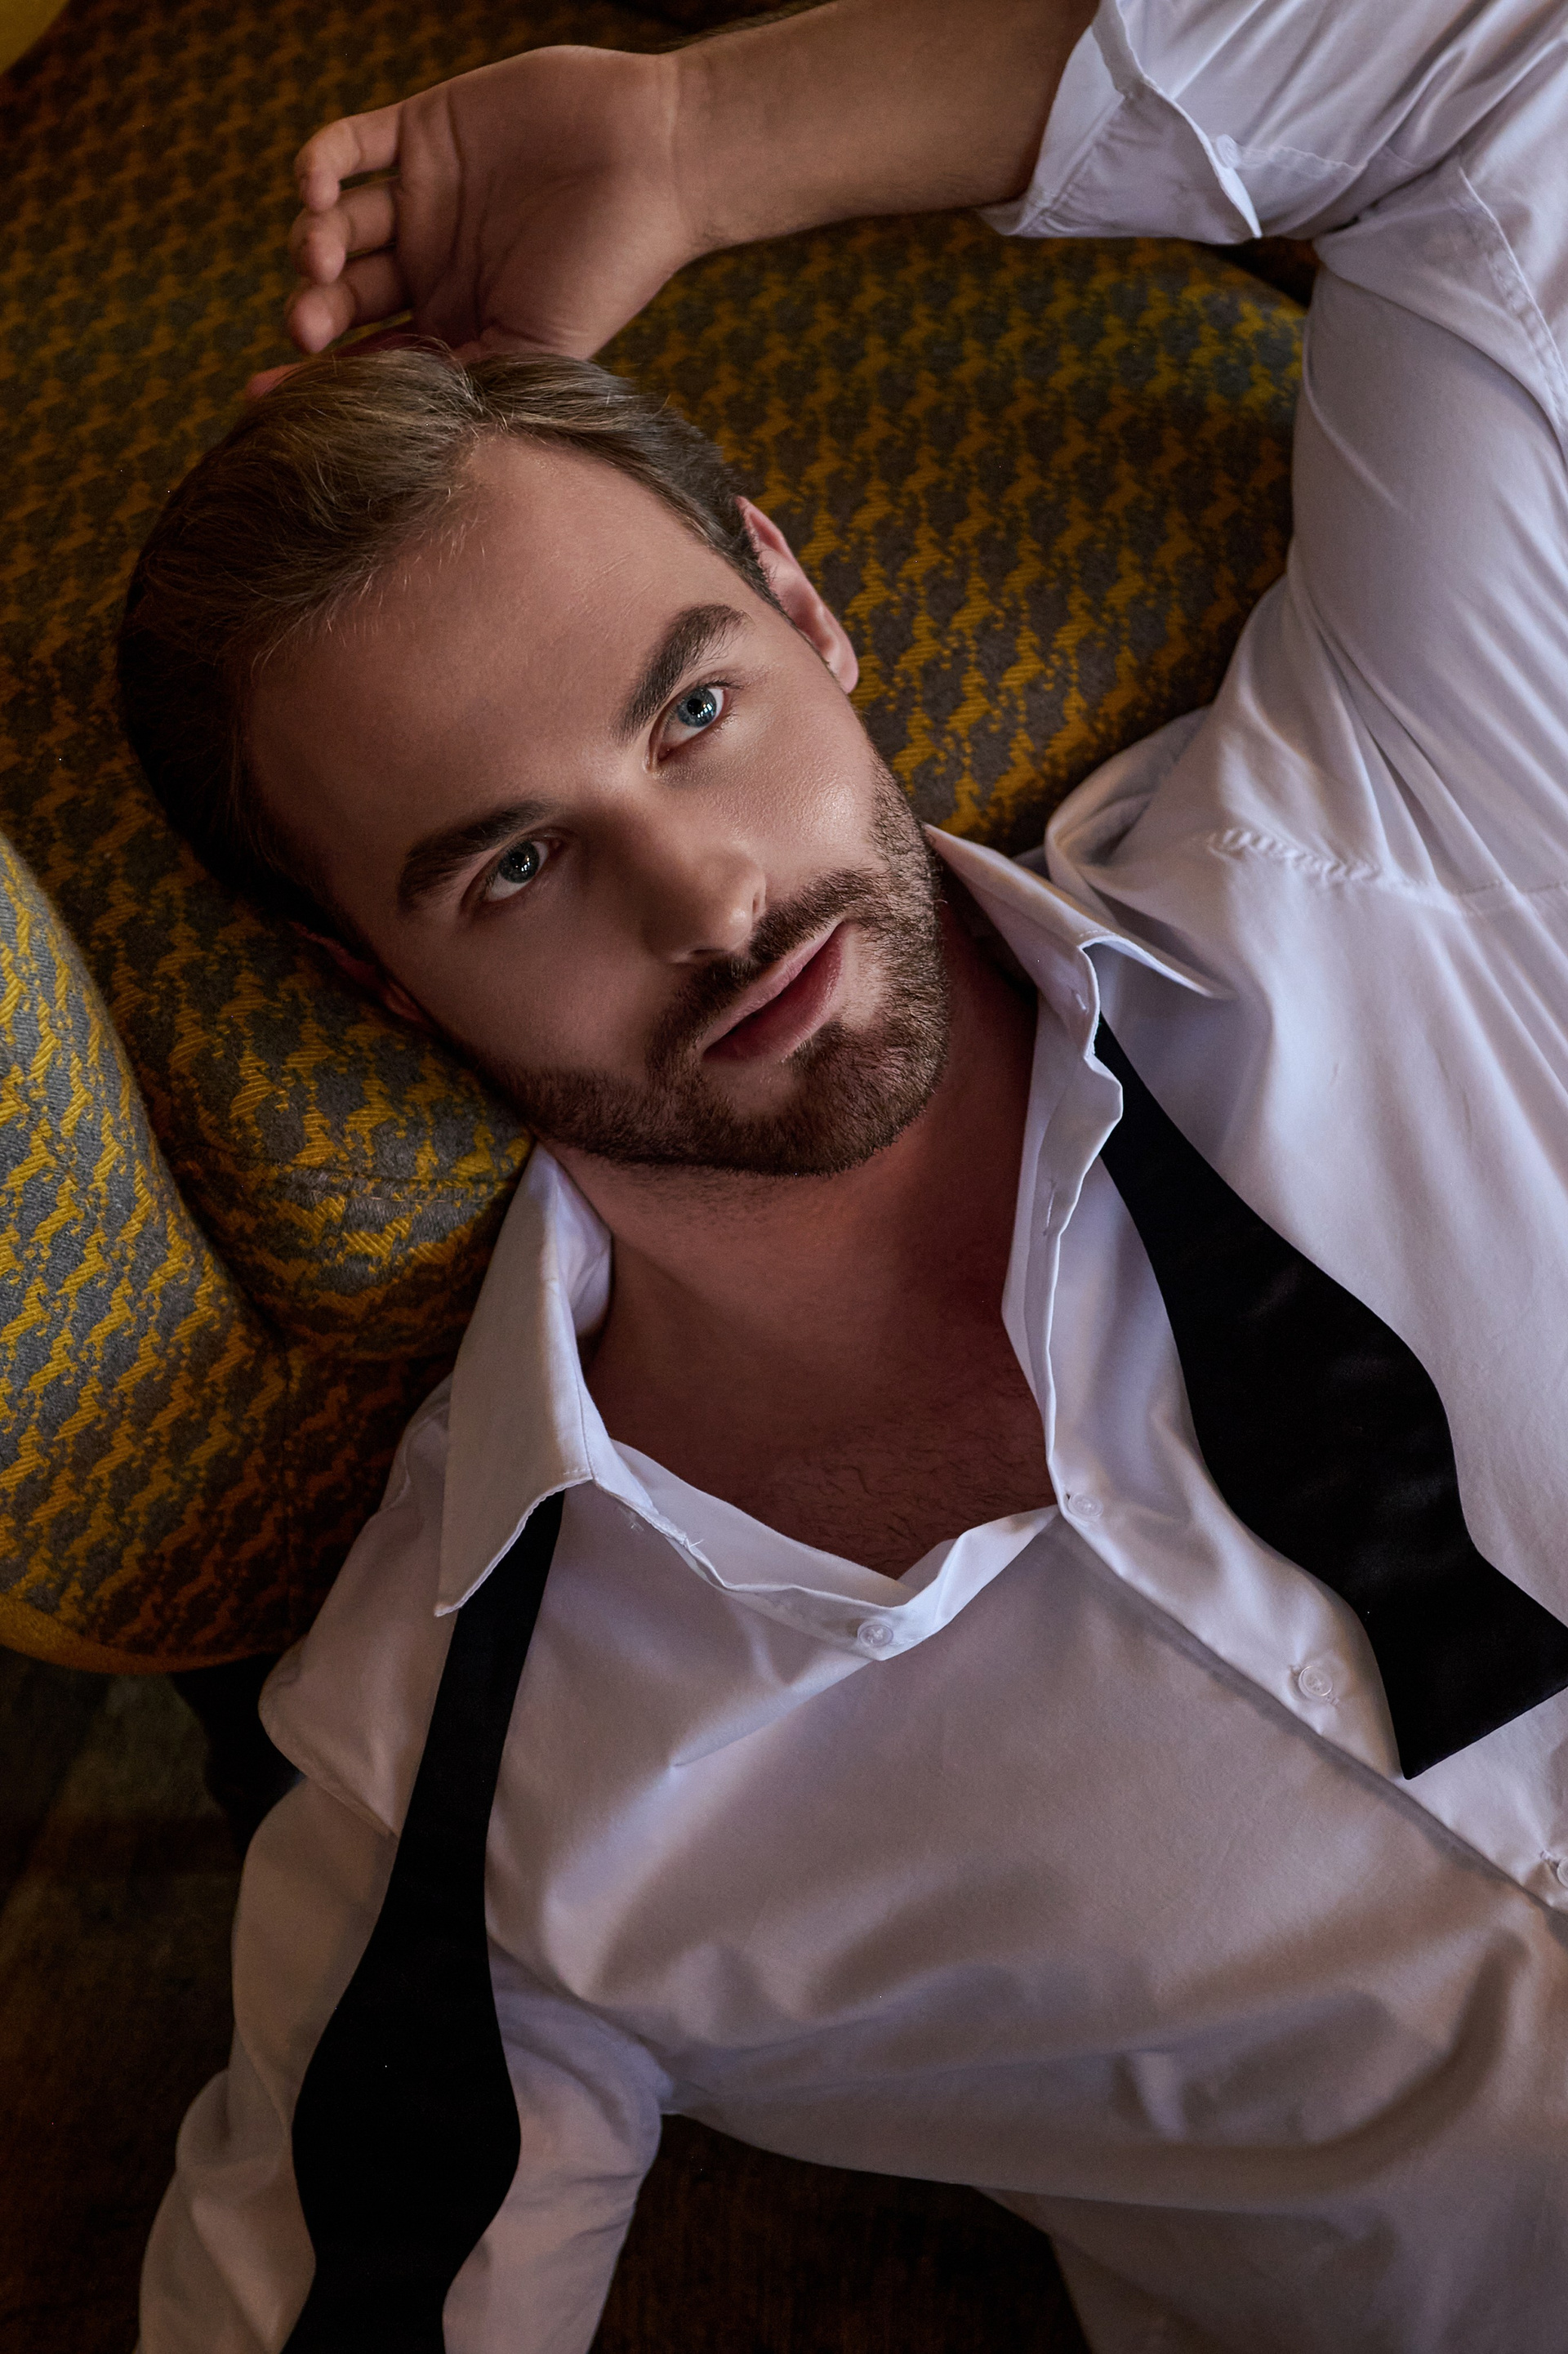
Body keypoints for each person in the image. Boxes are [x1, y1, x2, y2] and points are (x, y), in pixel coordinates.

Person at [129, 0, 1568, 2347]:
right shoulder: (481, 1792)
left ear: (804, 607)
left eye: (696, 706)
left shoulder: (1405, 814)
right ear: (376, 980)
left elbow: (1507, 78)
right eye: (516, 868)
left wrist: (705, 141)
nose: (704, 895)